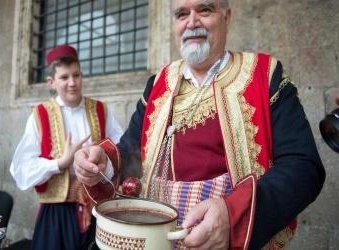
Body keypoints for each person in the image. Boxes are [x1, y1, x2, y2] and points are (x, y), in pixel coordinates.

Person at [73, 0, 326, 249]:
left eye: (204, 10)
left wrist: (232, 215)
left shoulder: (264, 75)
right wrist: (104, 162)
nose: (191, 22)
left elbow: (303, 167)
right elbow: (131, 150)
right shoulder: (157, 83)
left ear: (226, 18)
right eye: (182, 14)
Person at [10, 44, 123, 250]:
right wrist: (60, 163)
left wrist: (103, 161)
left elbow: (120, 149)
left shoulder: (100, 109)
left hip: (97, 207)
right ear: (51, 82)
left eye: (76, 75)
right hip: (57, 212)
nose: (72, 83)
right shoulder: (40, 114)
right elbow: (21, 169)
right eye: (64, 77)